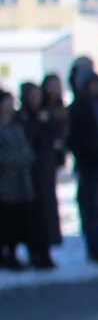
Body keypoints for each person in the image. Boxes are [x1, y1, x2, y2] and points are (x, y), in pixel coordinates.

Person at [67, 58, 98, 264]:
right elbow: (73, 139)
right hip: (91, 167)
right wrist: (88, 156)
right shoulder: (78, 109)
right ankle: (94, 248)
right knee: (92, 208)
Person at [23, 75, 65, 270]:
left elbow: (56, 136)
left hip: (46, 169)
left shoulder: (46, 114)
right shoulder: (25, 118)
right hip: (30, 170)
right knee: (34, 211)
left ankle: (46, 249)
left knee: (47, 210)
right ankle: (35, 251)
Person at [0, 88, 32, 270]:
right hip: (5, 182)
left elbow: (26, 149)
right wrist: (14, 158)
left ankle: (13, 253)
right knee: (6, 220)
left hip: (20, 181)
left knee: (17, 220)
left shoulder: (16, 126)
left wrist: (25, 157)